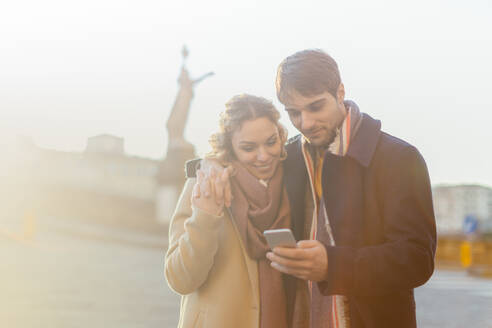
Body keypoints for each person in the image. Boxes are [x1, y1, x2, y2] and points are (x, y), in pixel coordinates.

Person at [188, 49, 436, 328]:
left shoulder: (399, 158)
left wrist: (332, 265)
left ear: (340, 92)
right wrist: (210, 166)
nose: (305, 123)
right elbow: (237, 156)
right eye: (294, 113)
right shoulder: (288, 157)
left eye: (316, 107)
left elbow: (417, 260)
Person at [165, 94, 306, 328]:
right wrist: (205, 217)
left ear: (281, 135)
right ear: (229, 147)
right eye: (249, 148)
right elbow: (180, 279)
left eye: (271, 142)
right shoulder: (204, 184)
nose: (263, 156)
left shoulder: (295, 179)